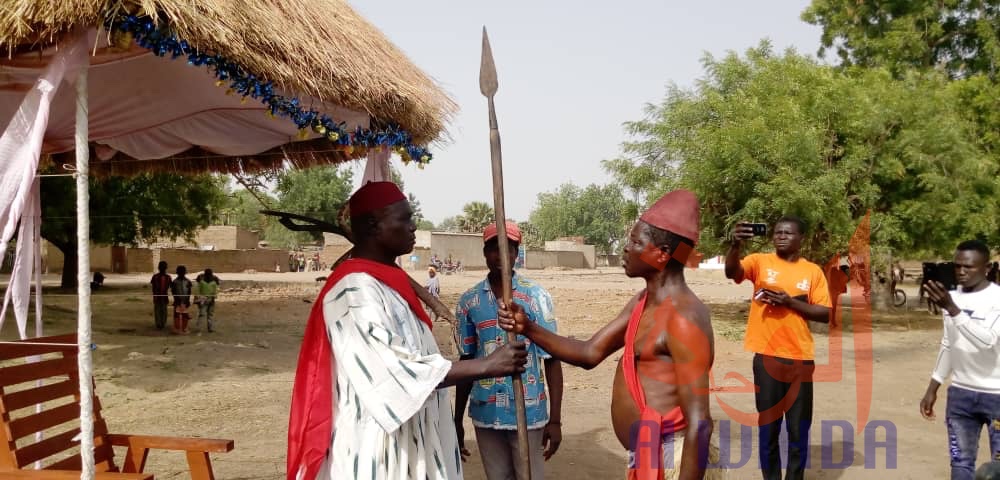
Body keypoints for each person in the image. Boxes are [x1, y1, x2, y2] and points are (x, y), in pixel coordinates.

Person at [287, 181, 529, 480]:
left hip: (410, 437)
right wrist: (487, 365)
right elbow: (395, 372)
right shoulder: (354, 291)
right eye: (405, 218)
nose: (414, 227)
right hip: (378, 449)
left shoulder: (387, 284)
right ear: (375, 225)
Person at [499, 190, 721, 480]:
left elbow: (699, 422)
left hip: (672, 462)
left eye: (636, 242)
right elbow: (590, 353)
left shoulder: (683, 318)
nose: (626, 249)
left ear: (663, 254)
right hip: (646, 457)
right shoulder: (643, 302)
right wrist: (527, 327)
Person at [454, 221, 563, 480]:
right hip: (485, 411)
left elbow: (552, 359)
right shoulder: (469, 301)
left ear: (516, 253)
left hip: (529, 410)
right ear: (484, 252)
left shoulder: (536, 297)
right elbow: (466, 359)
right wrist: (456, 418)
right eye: (494, 248)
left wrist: (556, 420)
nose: (502, 256)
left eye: (509, 249)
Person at [725, 216, 832, 480]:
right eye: (777, 232)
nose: (781, 236)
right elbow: (732, 272)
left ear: (801, 239)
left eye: (788, 233)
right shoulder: (760, 261)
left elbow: (825, 313)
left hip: (800, 360)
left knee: (798, 430)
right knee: (769, 428)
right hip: (767, 358)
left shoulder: (812, 272)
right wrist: (735, 246)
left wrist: (788, 303)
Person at [920, 240, 1000, 480]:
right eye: (957, 267)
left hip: (997, 395)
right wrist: (933, 386)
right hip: (961, 396)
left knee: (997, 469)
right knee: (960, 463)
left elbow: (988, 341)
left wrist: (953, 310)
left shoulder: (996, 299)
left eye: (969, 267)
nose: (961, 272)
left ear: (986, 268)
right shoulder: (952, 297)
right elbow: (949, 344)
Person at [195, 269, 221, 333]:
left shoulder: (205, 281)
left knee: (208, 314)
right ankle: (200, 328)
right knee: (203, 314)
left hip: (210, 299)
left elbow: (215, 291)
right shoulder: (205, 281)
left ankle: (208, 328)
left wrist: (214, 296)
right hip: (203, 299)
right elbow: (198, 291)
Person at [170, 265, 193, 335]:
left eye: (183, 272)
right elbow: (173, 292)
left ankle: (184, 328)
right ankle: (177, 328)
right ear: (178, 273)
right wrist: (177, 300)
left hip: (185, 300)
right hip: (177, 300)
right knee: (177, 314)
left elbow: (189, 291)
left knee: (185, 314)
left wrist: (188, 300)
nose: (182, 274)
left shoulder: (188, 281)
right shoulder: (174, 282)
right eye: (180, 272)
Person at [150, 261, 172, 330]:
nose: (163, 268)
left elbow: (153, 287)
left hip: (163, 296)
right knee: (160, 310)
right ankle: (160, 324)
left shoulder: (167, 277)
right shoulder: (157, 277)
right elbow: (153, 287)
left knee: (161, 310)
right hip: (159, 296)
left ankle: (161, 323)